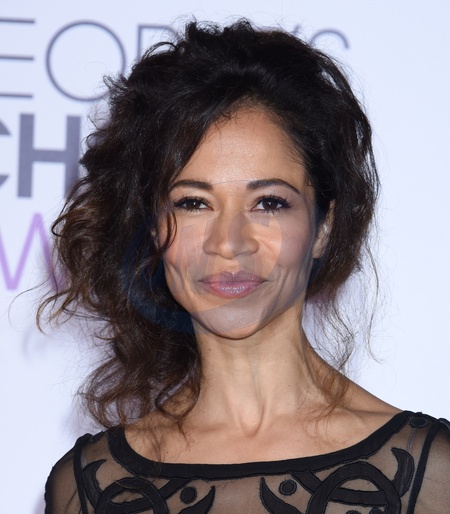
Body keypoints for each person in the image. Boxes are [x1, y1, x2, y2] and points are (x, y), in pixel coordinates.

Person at [42, 20, 450, 514]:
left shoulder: (431, 473)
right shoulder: (89, 484)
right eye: (193, 203)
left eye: (269, 203)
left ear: (323, 226)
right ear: (152, 227)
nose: (229, 243)